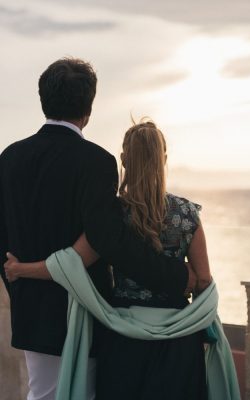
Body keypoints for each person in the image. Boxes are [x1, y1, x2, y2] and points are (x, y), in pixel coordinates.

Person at [0, 58, 195, 400]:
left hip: (30, 308)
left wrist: (18, 281)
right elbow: (108, 239)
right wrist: (177, 277)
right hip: (85, 311)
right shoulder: (96, 162)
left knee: (41, 394)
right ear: (88, 109)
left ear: (43, 100)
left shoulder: (10, 157)